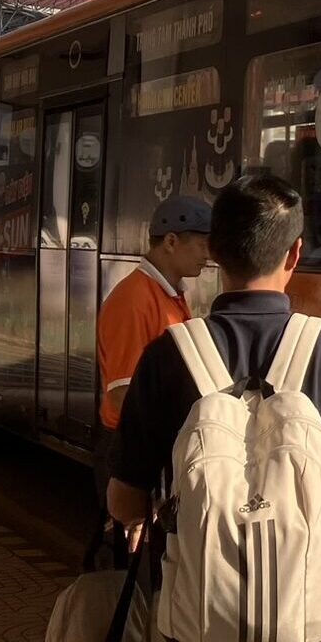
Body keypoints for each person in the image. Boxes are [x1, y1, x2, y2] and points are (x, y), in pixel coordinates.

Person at [106, 176, 321, 642]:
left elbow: (124, 500)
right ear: (294, 254)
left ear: (215, 255)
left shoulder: (169, 355)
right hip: (301, 628)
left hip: (193, 631)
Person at [88, 194, 212, 568]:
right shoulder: (134, 300)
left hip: (149, 452)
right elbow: (123, 396)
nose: (209, 254)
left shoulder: (168, 295)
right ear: (171, 241)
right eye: (203, 243)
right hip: (132, 455)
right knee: (133, 574)